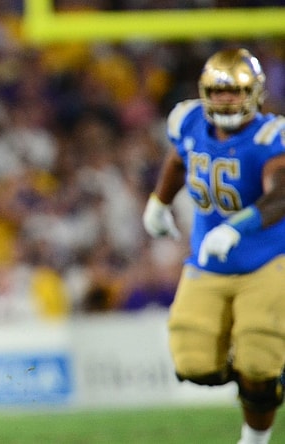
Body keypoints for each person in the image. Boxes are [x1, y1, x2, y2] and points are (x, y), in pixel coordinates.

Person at [143, 47, 285, 444]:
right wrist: (159, 202)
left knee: (259, 358)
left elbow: (281, 193)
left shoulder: (271, 136)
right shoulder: (188, 121)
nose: (226, 100)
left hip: (268, 260)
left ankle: (255, 435)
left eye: (235, 91)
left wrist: (238, 227)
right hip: (209, 262)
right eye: (218, 91)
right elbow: (177, 159)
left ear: (255, 93)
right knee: (194, 364)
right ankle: (268, 379)